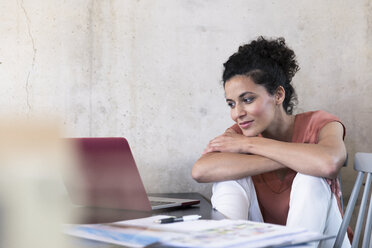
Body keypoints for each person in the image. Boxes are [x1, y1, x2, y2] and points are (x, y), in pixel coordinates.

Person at [192, 36, 351, 248]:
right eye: (231, 103)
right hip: (264, 241)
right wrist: (294, 157)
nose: (237, 113)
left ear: (278, 95)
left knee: (310, 177)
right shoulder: (241, 132)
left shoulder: (321, 122)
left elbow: (328, 163)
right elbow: (201, 171)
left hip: (324, 241)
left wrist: (249, 146)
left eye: (247, 100)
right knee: (228, 178)